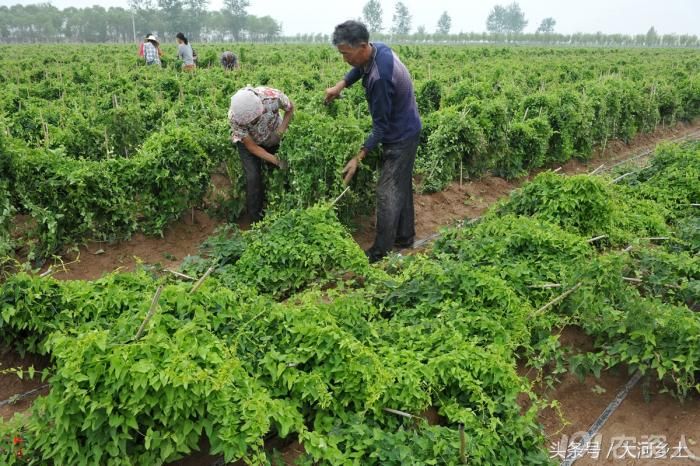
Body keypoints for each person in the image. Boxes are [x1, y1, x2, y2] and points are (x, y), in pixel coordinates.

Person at [324, 20, 422, 263]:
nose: (344, 59)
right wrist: (341, 85)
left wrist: (358, 157)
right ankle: (405, 236)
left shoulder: (380, 79)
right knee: (400, 183)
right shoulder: (378, 49)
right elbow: (359, 68)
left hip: (400, 135)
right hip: (407, 126)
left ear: (362, 46)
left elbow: (381, 127)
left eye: (346, 54)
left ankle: (380, 251)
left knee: (386, 191)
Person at [228, 87, 294, 223]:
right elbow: (252, 147)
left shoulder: (273, 98)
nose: (252, 123)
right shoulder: (235, 117)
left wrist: (280, 132)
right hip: (249, 142)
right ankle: (256, 220)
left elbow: (290, 108)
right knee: (253, 177)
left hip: (272, 131)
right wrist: (276, 160)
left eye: (254, 119)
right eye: (249, 122)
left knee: (282, 173)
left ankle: (287, 208)